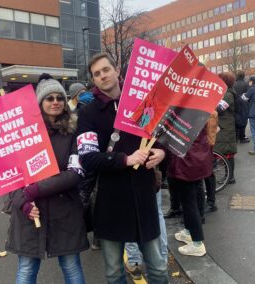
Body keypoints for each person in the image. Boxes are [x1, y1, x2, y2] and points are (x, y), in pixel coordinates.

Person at [77, 52, 169, 283]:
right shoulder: (88, 113)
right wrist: (125, 160)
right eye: (96, 74)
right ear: (93, 80)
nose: (102, 76)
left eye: (105, 70)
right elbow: (87, 158)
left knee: (158, 269)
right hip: (110, 203)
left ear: (117, 70)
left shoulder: (142, 101)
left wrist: (162, 152)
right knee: (114, 273)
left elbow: (157, 138)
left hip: (143, 199)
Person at [6, 75, 89, 284]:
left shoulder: (74, 132)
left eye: (59, 98)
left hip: (65, 213)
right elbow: (10, 176)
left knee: (71, 267)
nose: (55, 102)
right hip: (29, 215)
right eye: (49, 98)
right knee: (26, 270)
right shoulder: (22, 134)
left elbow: (75, 173)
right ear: (40, 103)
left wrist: (35, 190)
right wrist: (22, 202)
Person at [169, 126, 213, 257]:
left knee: (188, 202)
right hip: (198, 157)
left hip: (186, 161)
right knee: (196, 194)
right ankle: (189, 232)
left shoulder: (185, 114)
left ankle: (197, 243)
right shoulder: (201, 111)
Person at [214, 72, 237, 184]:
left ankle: (230, 177)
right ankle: (229, 176)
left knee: (227, 154)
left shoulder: (228, 95)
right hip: (225, 127)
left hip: (225, 128)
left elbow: (218, 108)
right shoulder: (226, 93)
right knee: (226, 153)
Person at [233, 70, 250, 143]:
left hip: (235, 103)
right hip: (244, 104)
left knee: (236, 120)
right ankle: (242, 137)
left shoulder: (234, 84)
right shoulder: (246, 84)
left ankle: (236, 137)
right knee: (243, 120)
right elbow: (248, 94)